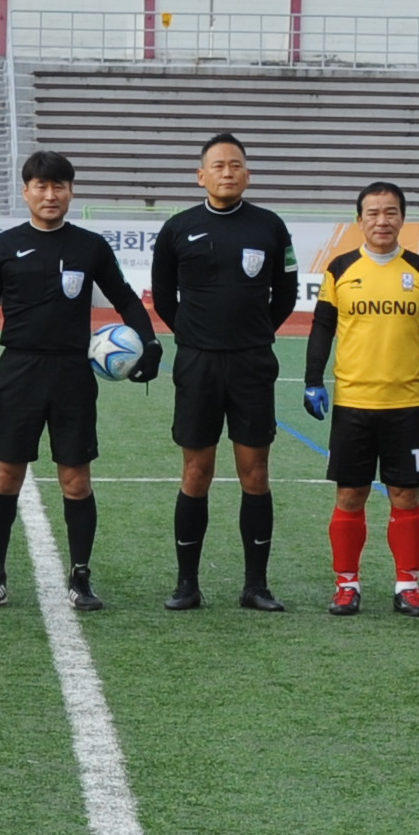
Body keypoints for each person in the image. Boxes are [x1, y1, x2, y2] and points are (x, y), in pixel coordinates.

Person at [0, 149, 160, 612]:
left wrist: (150, 343)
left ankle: (81, 577)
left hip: (73, 373)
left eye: (59, 186)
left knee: (75, 480)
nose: (50, 195)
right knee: (6, 475)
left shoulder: (90, 246)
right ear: (26, 192)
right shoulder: (4, 246)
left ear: (71, 192)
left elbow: (125, 298)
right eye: (41, 186)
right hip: (20, 370)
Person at [144, 132, 299, 611]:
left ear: (247, 174)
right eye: (218, 165)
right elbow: (163, 296)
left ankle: (256, 586)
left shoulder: (270, 227)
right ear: (201, 176)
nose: (227, 172)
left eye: (235, 165)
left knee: (255, 472)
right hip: (198, 364)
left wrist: (252, 333)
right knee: (196, 471)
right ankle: (186, 585)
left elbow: (287, 293)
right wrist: (196, 335)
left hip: (252, 363)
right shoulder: (178, 228)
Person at [302, 182, 419, 614]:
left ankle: (407, 585)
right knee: (350, 494)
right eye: (373, 213)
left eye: (390, 212)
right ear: (360, 220)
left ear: (402, 218)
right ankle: (347, 584)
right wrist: (313, 379)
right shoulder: (340, 268)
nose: (382, 220)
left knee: (406, 495)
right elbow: (322, 327)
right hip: (352, 403)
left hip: (404, 404)